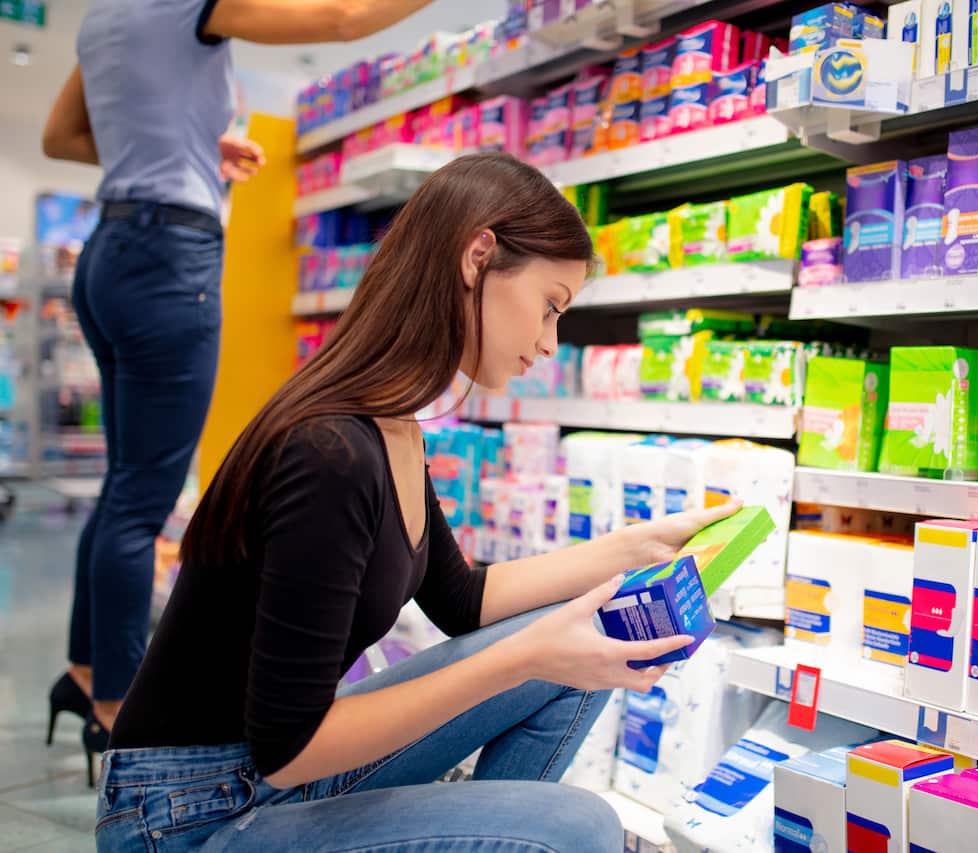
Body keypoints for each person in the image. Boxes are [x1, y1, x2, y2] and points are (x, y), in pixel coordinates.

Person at [92, 152, 738, 852]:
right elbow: (291, 744)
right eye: (550, 306)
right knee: (580, 826)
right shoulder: (331, 451)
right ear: (478, 256)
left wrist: (637, 547)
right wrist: (525, 657)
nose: (551, 342)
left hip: (262, 775)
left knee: (597, 636)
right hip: (185, 815)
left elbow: (461, 599)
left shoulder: (392, 423)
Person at [40, 0, 456, 774]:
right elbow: (340, 17)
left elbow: (60, 137)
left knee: (122, 486)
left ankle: (87, 672)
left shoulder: (103, 17)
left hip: (110, 251)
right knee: (143, 498)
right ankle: (117, 721)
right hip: (171, 256)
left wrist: (185, 145)